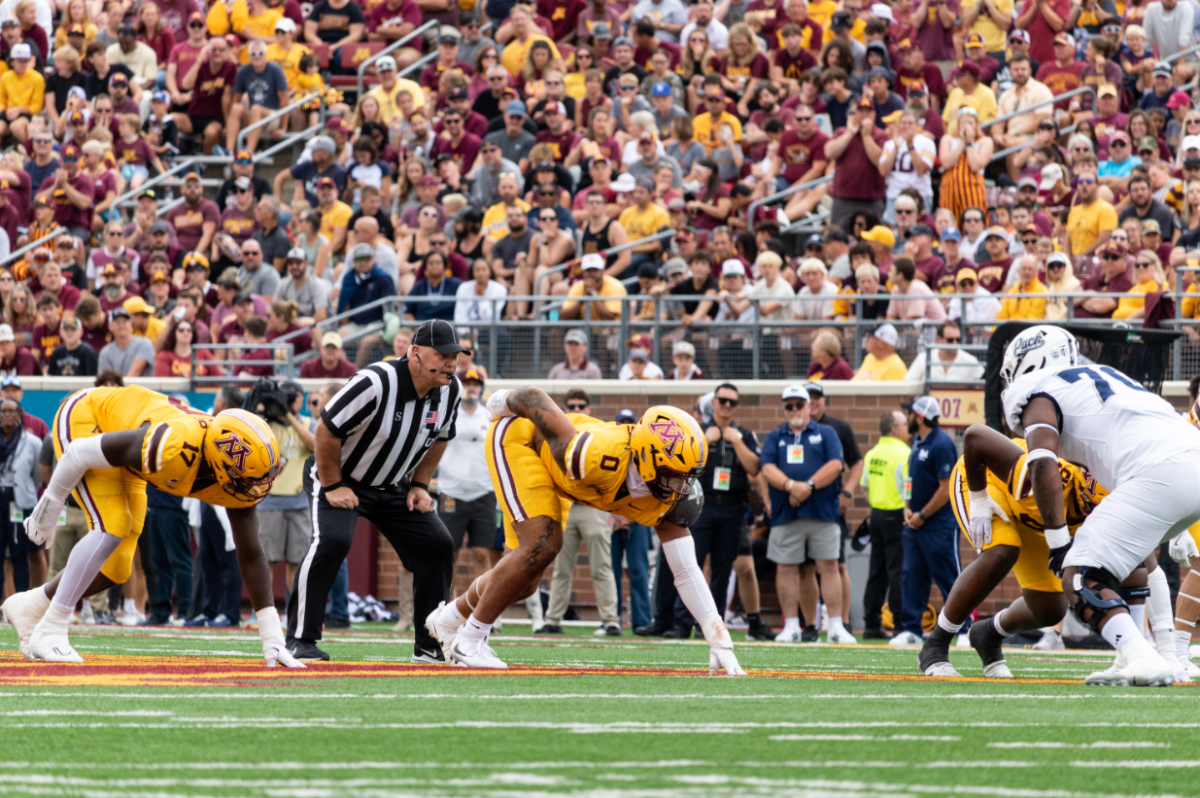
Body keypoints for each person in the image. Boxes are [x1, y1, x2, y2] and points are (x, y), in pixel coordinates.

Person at [425, 389, 744, 674]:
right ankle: (471, 638)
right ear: (647, 459)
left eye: (687, 478)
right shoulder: (595, 455)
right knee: (543, 546)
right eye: (674, 476)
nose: (681, 488)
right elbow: (533, 398)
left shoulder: (667, 502)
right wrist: (499, 402)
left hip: (559, 480)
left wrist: (719, 639)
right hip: (521, 441)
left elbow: (687, 572)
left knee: (524, 581)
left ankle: (448, 619)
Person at [2, 386, 297, 666]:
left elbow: (252, 555)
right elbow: (79, 452)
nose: (255, 489)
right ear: (221, 466)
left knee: (116, 567)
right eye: (249, 480)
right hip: (88, 417)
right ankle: (52, 627)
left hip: (132, 454)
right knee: (113, 525)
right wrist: (49, 506)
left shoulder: (229, 473)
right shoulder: (172, 446)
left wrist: (272, 638)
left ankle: (31, 604)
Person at [998, 325, 1200, 685]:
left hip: (1158, 473)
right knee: (1124, 559)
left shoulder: (1038, 390)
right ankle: (1137, 656)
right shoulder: (1107, 376)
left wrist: (1059, 545)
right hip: (1188, 461)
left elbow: (1043, 462)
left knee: (1079, 574)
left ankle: (1143, 657)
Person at [285, 320, 459, 663]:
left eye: (455, 355)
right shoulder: (377, 381)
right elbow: (325, 430)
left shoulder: (450, 389)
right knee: (332, 540)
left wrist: (420, 485)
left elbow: (441, 437)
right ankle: (299, 639)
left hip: (393, 483)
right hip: (340, 476)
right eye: (442, 355)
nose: (451, 363)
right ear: (415, 354)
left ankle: (429, 644)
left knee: (437, 544)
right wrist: (334, 485)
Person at [918, 425, 1107, 676]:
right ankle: (936, 644)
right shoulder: (1039, 475)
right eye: (1089, 505)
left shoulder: (1108, 512)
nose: (1090, 512)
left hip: (1038, 517)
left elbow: (1142, 569)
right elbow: (976, 436)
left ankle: (988, 634)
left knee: (1050, 608)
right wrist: (978, 497)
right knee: (1001, 551)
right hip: (986, 481)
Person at [761, 384, 852, 644]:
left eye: (798, 404)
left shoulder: (826, 432)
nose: (794, 410)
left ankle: (835, 625)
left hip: (822, 512)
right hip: (785, 513)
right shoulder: (775, 436)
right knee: (786, 568)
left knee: (829, 566)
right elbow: (766, 468)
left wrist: (807, 486)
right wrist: (790, 486)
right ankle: (791, 625)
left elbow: (836, 464)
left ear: (808, 406)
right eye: (788, 406)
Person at [537, 389, 622, 637]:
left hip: (593, 508)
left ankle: (611, 621)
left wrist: (614, 507)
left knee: (602, 566)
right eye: (571, 405)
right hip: (565, 507)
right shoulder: (556, 433)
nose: (576, 408)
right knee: (561, 566)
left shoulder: (599, 431)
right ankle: (553, 619)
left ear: (589, 408)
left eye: (581, 405)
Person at [888, 396, 963, 648]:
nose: (907, 418)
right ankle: (912, 629)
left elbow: (945, 489)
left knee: (950, 577)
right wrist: (908, 510)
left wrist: (922, 515)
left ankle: (964, 629)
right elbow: (910, 481)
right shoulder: (917, 443)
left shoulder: (942, 444)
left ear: (919, 417)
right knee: (912, 576)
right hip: (915, 524)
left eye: (910, 414)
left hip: (938, 525)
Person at [436, 367, 500, 621]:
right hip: (451, 492)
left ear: (482, 388)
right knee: (448, 553)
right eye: (467, 383)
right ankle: (444, 610)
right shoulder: (448, 414)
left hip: (483, 491)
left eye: (476, 384)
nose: (472, 388)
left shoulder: (490, 416)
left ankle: (482, 614)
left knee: (483, 553)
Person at [860, 410, 910, 640]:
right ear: (894, 429)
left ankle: (871, 624)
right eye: (905, 424)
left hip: (876, 515)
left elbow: (865, 486)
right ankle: (900, 626)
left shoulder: (872, 454)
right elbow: (909, 488)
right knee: (897, 572)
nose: (908, 428)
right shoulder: (905, 453)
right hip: (896, 515)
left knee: (876, 571)